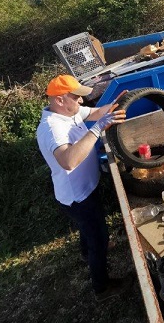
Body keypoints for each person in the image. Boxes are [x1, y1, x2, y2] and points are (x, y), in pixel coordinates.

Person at [36, 74, 129, 302]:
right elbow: (68, 160)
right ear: (59, 100)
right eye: (76, 97)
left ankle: (86, 252)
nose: (81, 102)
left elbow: (96, 112)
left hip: (87, 187)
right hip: (78, 197)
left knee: (88, 230)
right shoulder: (52, 128)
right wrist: (97, 129)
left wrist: (118, 104)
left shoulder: (70, 111)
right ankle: (102, 288)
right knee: (99, 238)